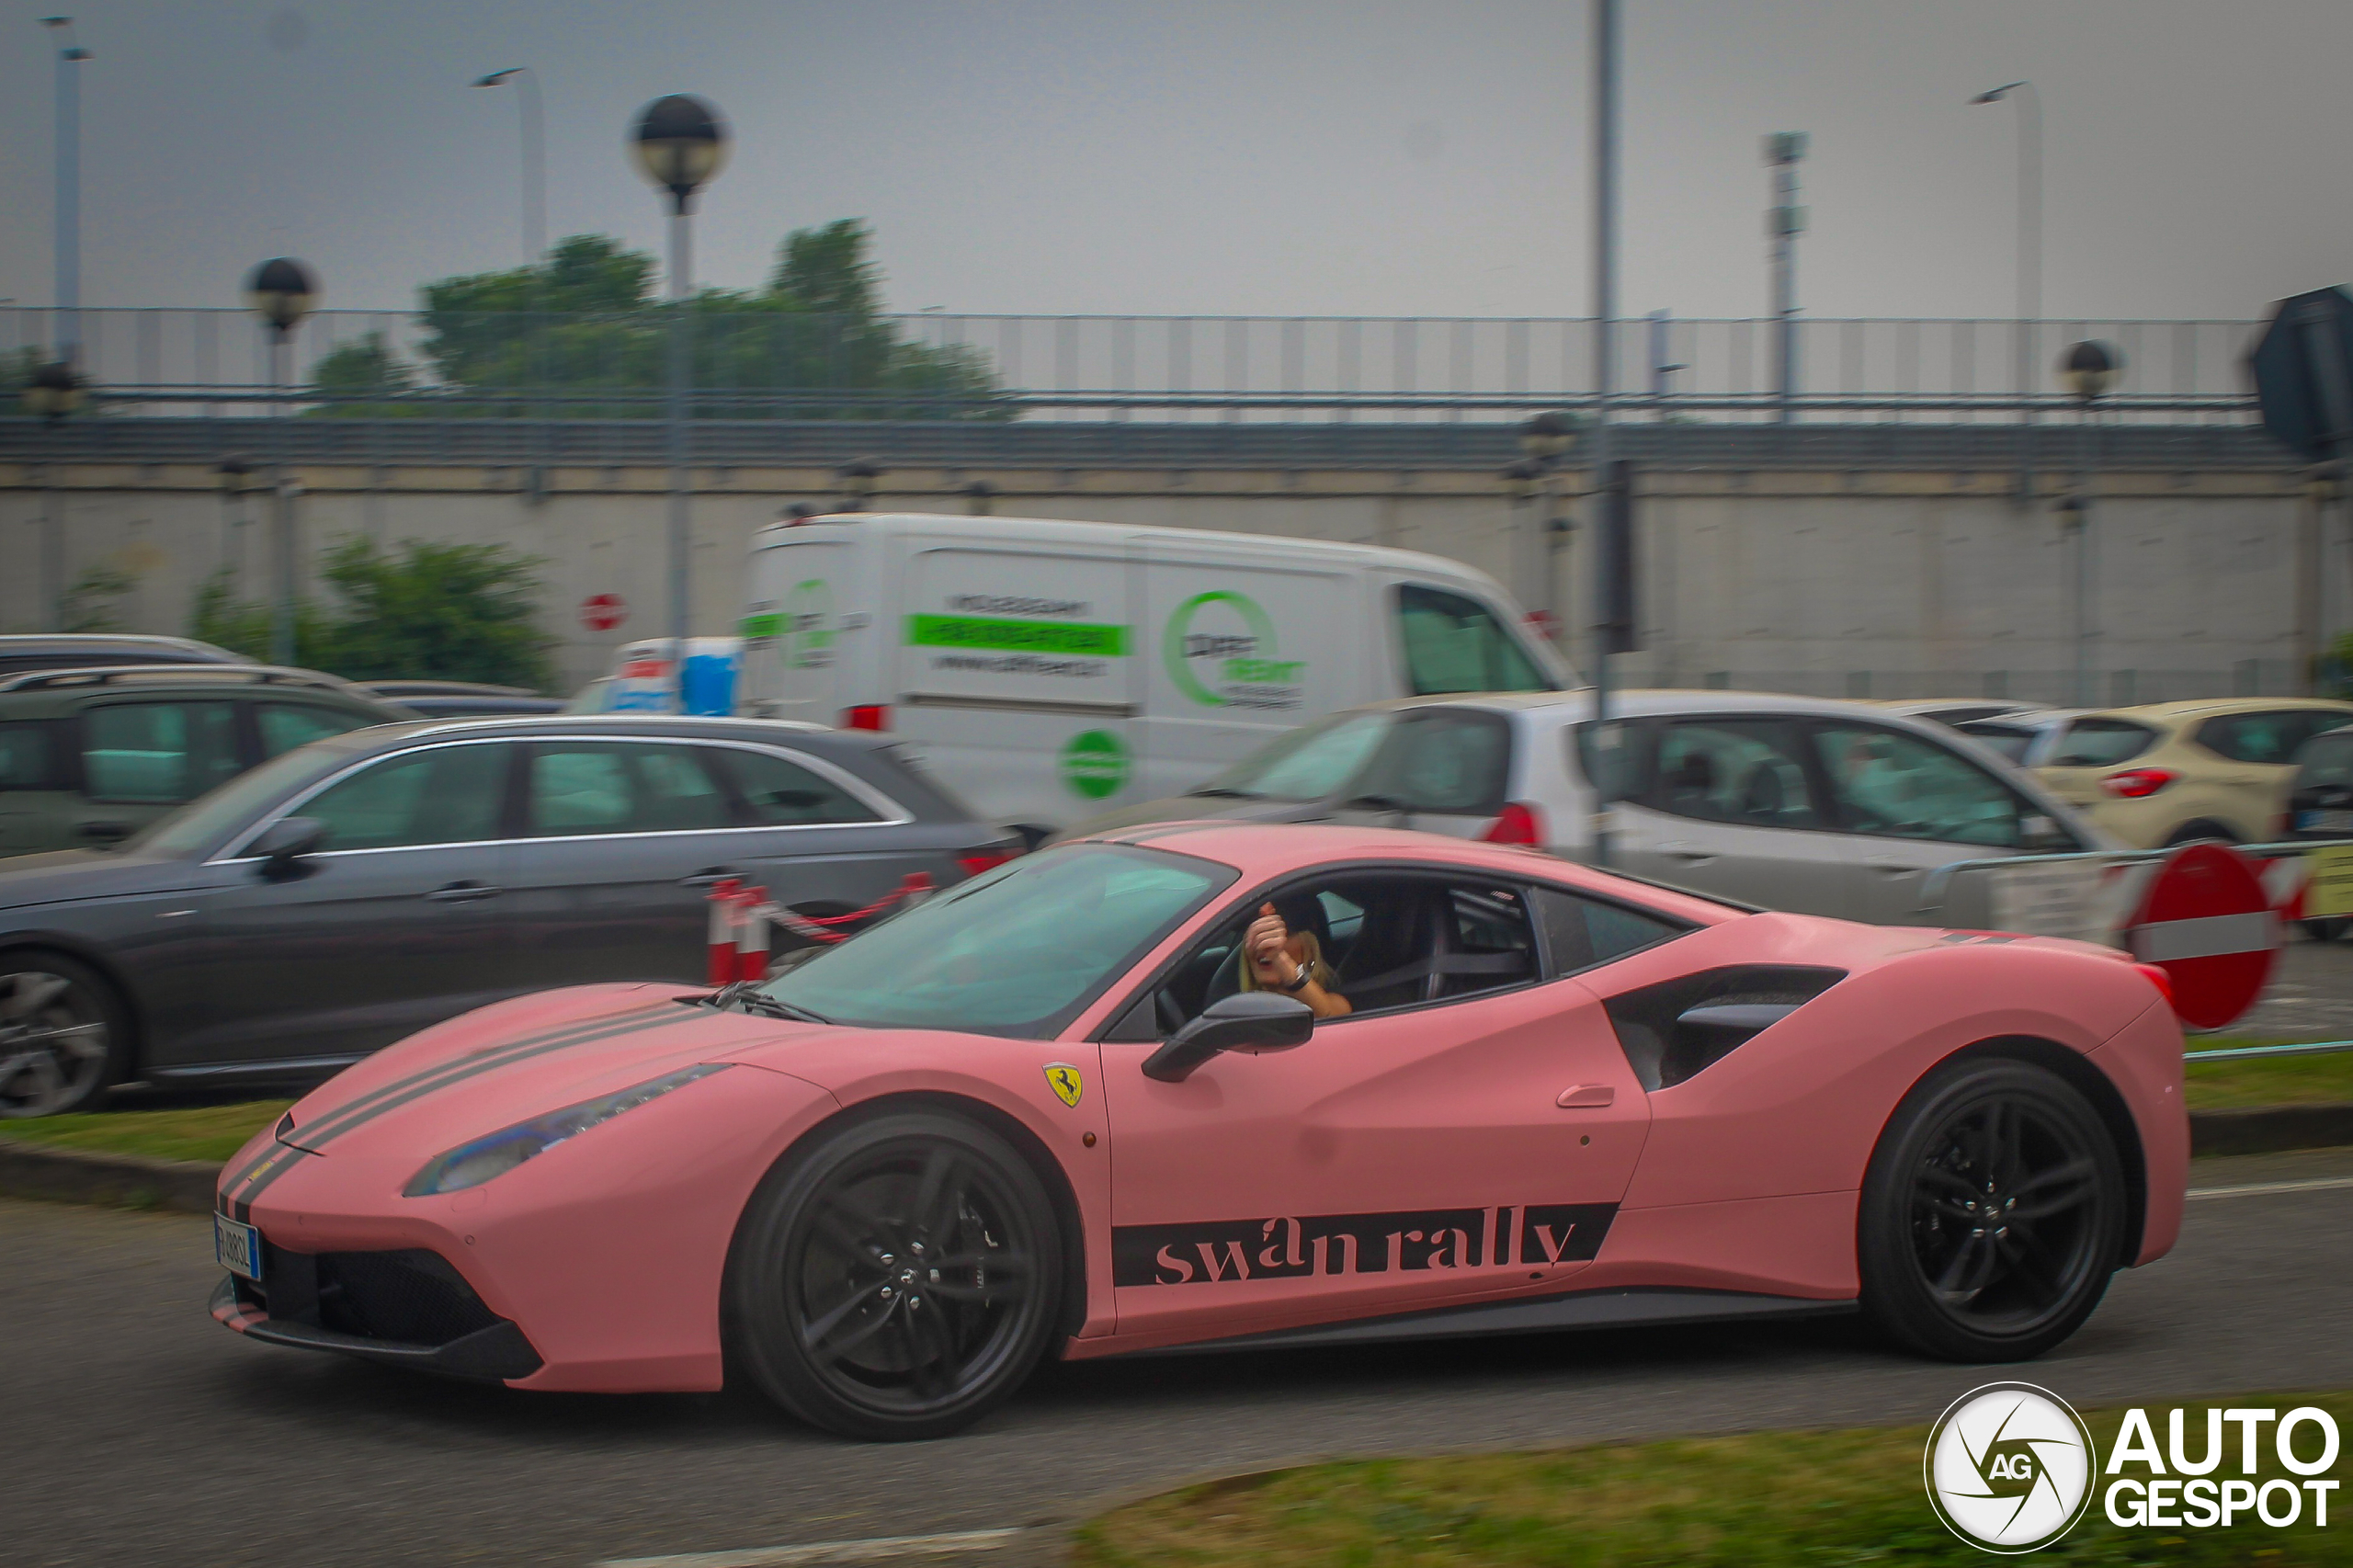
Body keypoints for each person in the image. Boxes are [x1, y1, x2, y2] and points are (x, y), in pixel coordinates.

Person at [1239, 900, 1352, 1017]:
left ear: (1310, 947)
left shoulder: (1336, 1002)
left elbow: (1329, 1016)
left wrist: (1284, 964)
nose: (1266, 946)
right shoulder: (1233, 1010)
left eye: (1283, 935)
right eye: (1257, 935)